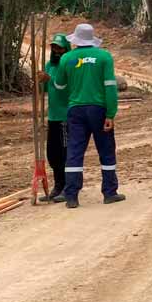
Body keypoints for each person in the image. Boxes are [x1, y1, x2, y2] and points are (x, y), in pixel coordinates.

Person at [53, 23, 125, 208]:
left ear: (76, 39)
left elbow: (59, 86)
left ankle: (71, 197)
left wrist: (72, 93)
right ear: (92, 39)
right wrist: (111, 113)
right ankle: (109, 193)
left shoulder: (67, 58)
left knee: (74, 152)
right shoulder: (104, 57)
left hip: (75, 110)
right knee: (106, 151)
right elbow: (110, 86)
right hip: (99, 110)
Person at [37, 33, 71, 202]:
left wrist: (49, 79)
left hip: (66, 115)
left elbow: (64, 88)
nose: (57, 51)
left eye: (60, 47)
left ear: (66, 49)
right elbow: (44, 90)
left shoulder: (69, 66)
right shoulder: (50, 65)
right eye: (54, 47)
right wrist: (40, 81)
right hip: (53, 116)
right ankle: (58, 185)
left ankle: (67, 186)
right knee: (53, 154)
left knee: (66, 154)